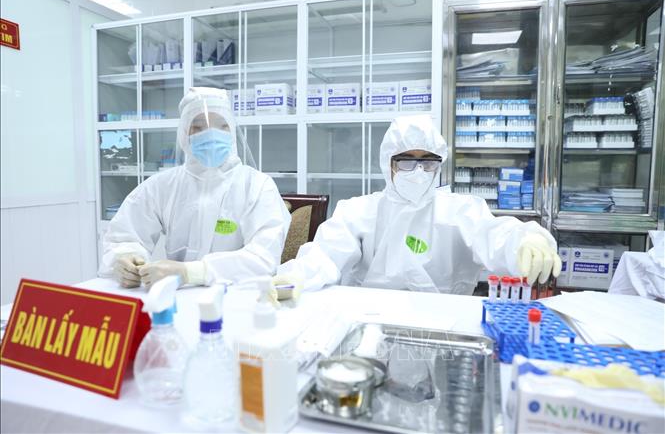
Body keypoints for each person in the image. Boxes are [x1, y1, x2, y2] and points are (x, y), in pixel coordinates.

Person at [275, 114, 561, 296]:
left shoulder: (459, 211)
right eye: (406, 160)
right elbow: (326, 255)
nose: (418, 171)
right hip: (369, 325)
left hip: (442, 328)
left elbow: (495, 235)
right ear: (388, 163)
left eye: (428, 161)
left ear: (439, 163)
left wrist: (525, 240)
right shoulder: (359, 211)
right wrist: (297, 276)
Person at [99, 87, 291, 288]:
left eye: (222, 126)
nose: (211, 135)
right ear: (184, 135)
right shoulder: (163, 186)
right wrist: (125, 259)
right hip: (176, 297)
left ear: (232, 132)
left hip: (240, 294)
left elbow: (263, 258)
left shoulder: (257, 186)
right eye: (198, 127)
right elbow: (125, 234)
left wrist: (191, 272)